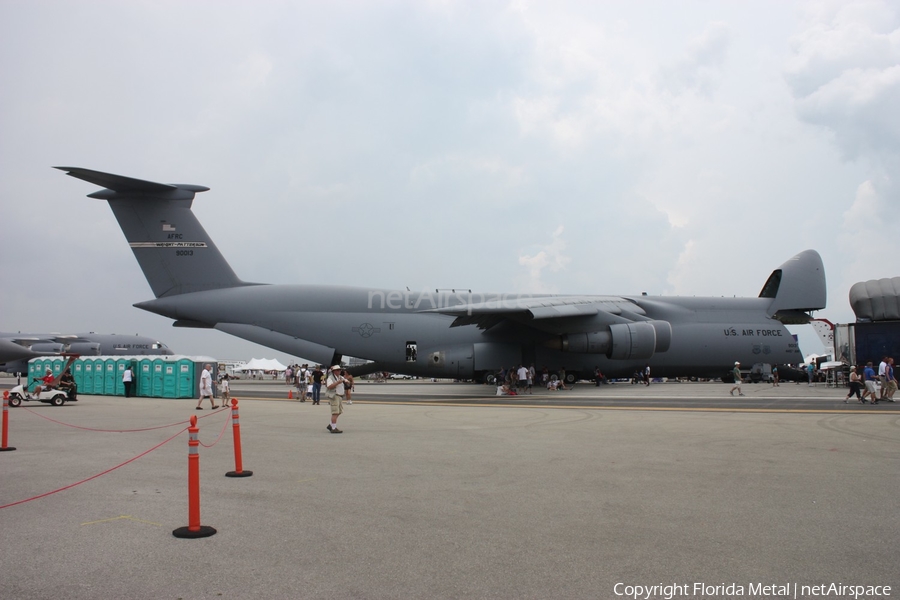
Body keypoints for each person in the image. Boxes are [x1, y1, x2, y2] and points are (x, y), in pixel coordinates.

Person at [325, 365, 347, 433]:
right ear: (334, 371)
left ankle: (331, 425)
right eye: (337, 370)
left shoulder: (339, 377)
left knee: (339, 411)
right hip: (335, 396)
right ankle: (333, 428)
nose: (339, 371)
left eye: (340, 370)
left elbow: (345, 380)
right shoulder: (330, 378)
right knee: (335, 412)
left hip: (339, 396)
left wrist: (347, 381)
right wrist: (337, 382)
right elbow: (329, 386)